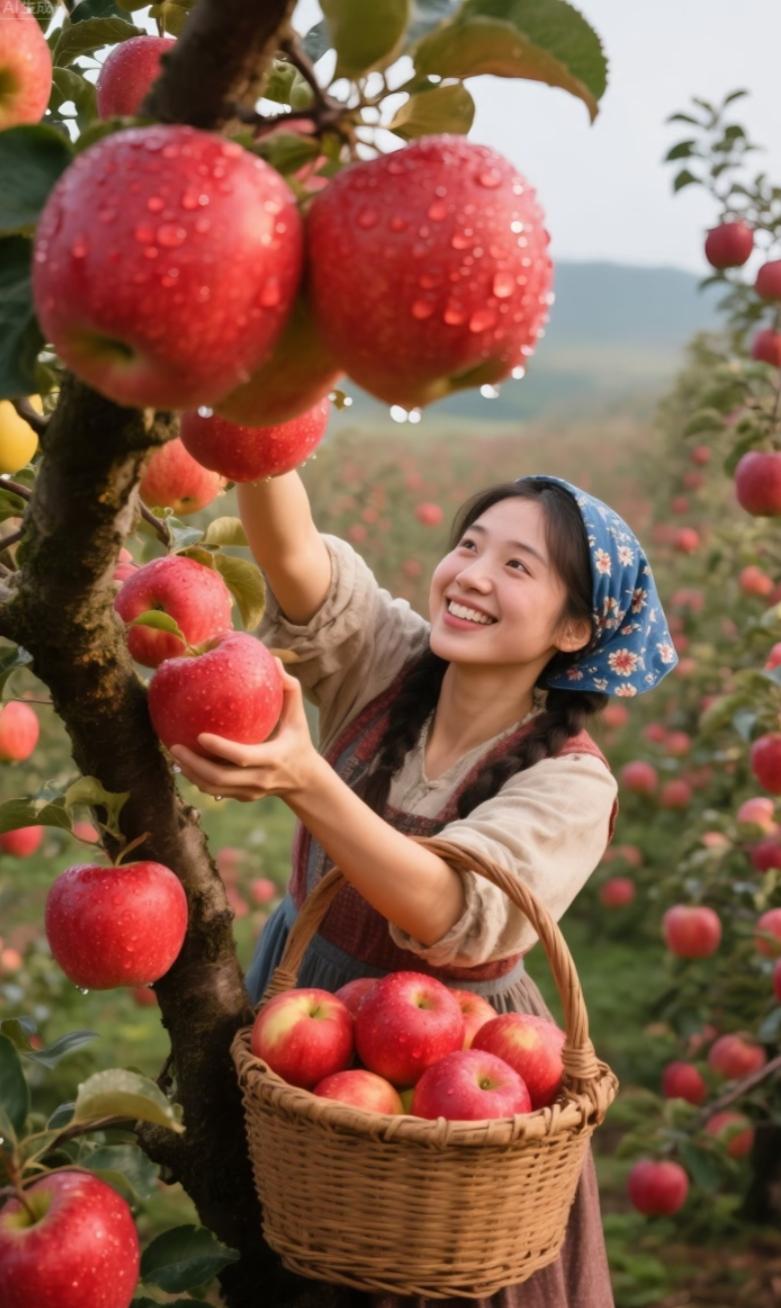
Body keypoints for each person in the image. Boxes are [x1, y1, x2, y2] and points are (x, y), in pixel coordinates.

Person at [170, 468, 678, 1308]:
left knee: (416, 1272)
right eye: (469, 546)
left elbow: (443, 909)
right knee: (280, 1253)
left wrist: (305, 777)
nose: (472, 574)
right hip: (306, 1009)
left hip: (453, 1065)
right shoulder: (395, 659)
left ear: (576, 627)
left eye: (517, 567)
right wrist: (259, 422)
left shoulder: (572, 787)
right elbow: (294, 558)